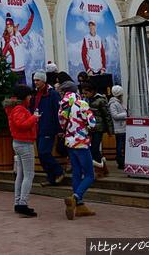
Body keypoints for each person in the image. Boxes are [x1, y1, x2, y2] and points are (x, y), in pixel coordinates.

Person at [58, 80, 96, 219]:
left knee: (76, 172)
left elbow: (62, 123)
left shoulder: (62, 105)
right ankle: (75, 197)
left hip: (69, 142)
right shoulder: (82, 104)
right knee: (89, 175)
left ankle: (79, 206)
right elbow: (92, 123)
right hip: (82, 143)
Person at [4, 85, 38, 216]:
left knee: (21, 175)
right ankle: (22, 203)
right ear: (24, 96)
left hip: (18, 143)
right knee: (29, 175)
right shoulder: (19, 108)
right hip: (24, 143)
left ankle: (18, 202)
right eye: (29, 96)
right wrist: (34, 118)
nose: (30, 98)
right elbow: (21, 125)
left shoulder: (15, 107)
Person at [31, 70, 63, 186]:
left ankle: (59, 171)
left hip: (48, 127)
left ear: (44, 81)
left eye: (38, 80)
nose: (35, 82)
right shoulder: (36, 94)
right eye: (34, 80)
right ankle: (51, 177)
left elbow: (58, 112)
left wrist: (59, 129)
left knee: (44, 152)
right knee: (41, 154)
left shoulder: (52, 94)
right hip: (38, 127)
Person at [81, 82, 112, 177]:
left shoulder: (101, 100)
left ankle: (100, 170)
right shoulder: (86, 100)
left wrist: (110, 130)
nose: (84, 95)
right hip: (89, 128)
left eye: (86, 93)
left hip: (99, 128)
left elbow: (107, 115)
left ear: (92, 91)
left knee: (94, 148)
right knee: (92, 149)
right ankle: (103, 168)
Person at [0, 8, 35, 76]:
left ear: (13, 26)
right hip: (14, 70)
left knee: (24, 86)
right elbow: (3, 53)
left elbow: (27, 27)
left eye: (10, 26)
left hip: (22, 69)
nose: (9, 28)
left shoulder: (19, 34)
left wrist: (32, 16)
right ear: (6, 28)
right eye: (8, 27)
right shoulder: (8, 41)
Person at [108, 85, 128, 169]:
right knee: (120, 146)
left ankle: (124, 161)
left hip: (123, 128)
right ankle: (120, 162)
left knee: (123, 145)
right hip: (119, 129)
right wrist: (126, 115)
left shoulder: (119, 102)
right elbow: (115, 115)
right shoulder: (113, 104)